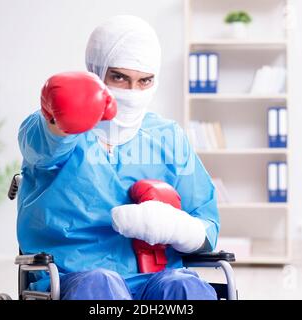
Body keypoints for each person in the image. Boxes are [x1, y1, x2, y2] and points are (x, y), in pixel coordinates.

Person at [17, 15, 220, 300]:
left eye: (144, 81)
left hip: (155, 279)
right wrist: (60, 121)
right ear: (96, 72)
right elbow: (43, 147)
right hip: (74, 280)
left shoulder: (167, 137)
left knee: (186, 287)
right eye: (120, 78)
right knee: (101, 284)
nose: (133, 93)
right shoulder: (57, 129)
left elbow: (206, 222)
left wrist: (178, 228)